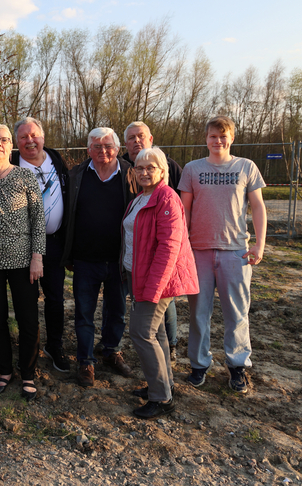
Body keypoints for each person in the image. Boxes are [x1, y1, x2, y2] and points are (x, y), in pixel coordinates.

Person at [179, 115, 267, 393]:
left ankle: (237, 366)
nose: (218, 141)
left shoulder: (246, 167)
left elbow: (258, 207)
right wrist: (183, 245)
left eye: (223, 136)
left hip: (236, 252)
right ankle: (198, 365)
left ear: (231, 138)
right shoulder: (192, 169)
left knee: (237, 313)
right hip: (199, 252)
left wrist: (260, 244)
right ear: (206, 139)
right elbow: (184, 209)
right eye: (213, 136)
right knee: (198, 314)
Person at [0, 124, 45, 401]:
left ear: (11, 145)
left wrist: (37, 257)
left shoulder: (25, 176)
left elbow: (38, 219)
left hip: (23, 260)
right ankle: (4, 370)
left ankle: (28, 373)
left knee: (28, 319)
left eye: (4, 139)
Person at [122, 147, 198, 419]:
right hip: (137, 274)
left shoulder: (167, 198)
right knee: (158, 333)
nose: (144, 172)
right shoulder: (141, 198)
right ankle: (164, 385)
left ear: (162, 171)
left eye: (150, 167)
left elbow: (169, 248)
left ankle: (161, 399)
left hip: (156, 279)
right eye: (139, 168)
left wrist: (154, 288)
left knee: (141, 332)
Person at [61, 127, 134, 387]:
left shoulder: (130, 174)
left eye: (108, 146)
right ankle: (86, 361)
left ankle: (111, 350)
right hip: (85, 258)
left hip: (118, 260)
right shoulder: (76, 175)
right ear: (88, 149)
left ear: (117, 148)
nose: (103, 151)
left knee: (117, 311)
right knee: (84, 313)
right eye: (97, 146)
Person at [11, 117, 70, 373]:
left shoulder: (57, 161)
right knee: (28, 300)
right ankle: (30, 350)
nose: (30, 141)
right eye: (23, 137)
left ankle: (54, 346)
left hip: (54, 243)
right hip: (23, 245)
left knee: (56, 298)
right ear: (16, 142)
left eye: (34, 135)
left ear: (43, 137)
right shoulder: (11, 164)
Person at [121, 121, 183, 362]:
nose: (136, 141)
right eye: (131, 137)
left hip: (156, 267)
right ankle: (163, 366)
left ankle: (170, 352)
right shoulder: (129, 176)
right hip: (135, 263)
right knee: (153, 329)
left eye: (141, 136)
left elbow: (170, 240)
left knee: (150, 324)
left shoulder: (167, 187)